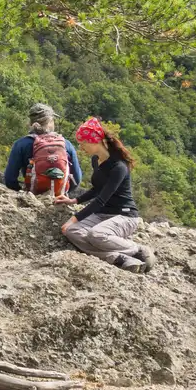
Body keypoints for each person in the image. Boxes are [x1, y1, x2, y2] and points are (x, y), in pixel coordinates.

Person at [60, 117, 155, 273]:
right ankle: (117, 258)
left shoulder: (119, 166)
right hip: (102, 214)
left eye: (83, 143)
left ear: (95, 141)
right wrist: (74, 200)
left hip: (124, 216)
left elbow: (101, 200)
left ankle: (138, 250)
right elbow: (97, 189)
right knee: (72, 231)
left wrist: (73, 219)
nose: (81, 147)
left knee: (96, 234)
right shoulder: (96, 160)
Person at [3, 103, 81, 200]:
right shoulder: (66, 144)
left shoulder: (21, 144)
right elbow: (77, 180)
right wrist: (62, 191)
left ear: (30, 122)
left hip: (32, 197)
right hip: (59, 199)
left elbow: (9, 179)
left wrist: (23, 193)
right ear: (50, 122)